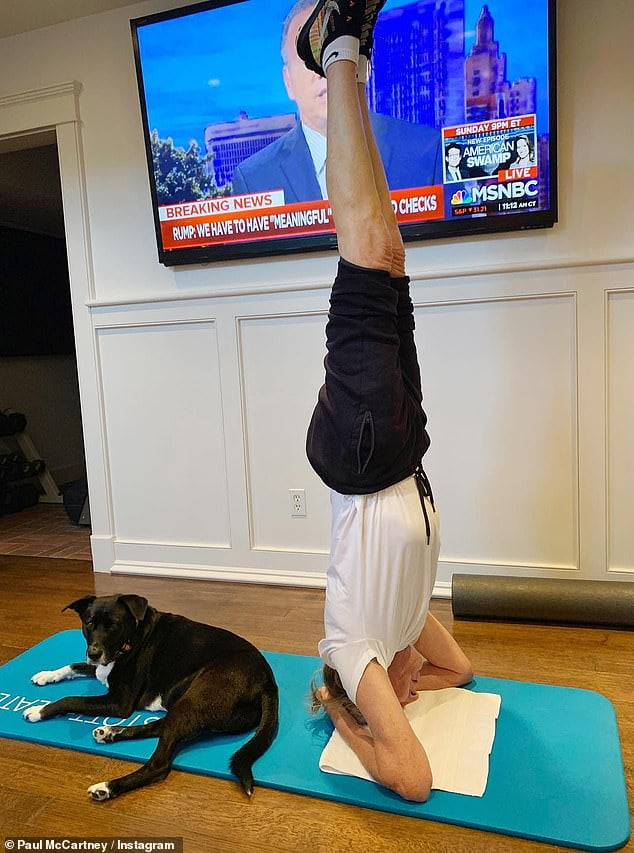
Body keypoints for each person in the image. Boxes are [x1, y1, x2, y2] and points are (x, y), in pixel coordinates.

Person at [300, 0, 473, 803]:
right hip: (402, 447)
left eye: (393, 699)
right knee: (391, 255)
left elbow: (412, 779)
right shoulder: (404, 638)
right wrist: (416, 672)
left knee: (366, 255)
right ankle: (348, 57)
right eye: (398, 695)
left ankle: (331, 47)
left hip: (363, 455)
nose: (404, 691)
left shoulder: (354, 646)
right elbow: (458, 668)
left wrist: (349, 715)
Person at [231, 0, 442, 202]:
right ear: (288, 82)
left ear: (365, 66)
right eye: (309, 58)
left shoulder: (428, 149)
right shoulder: (253, 178)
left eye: (331, 54)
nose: (324, 70)